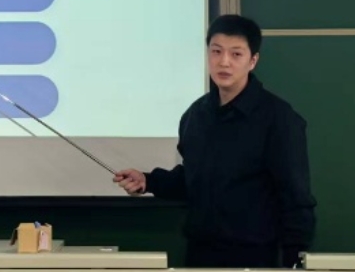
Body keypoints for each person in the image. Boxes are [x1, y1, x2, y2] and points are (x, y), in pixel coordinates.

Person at [114, 14, 316, 268]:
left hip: (256, 258)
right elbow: (194, 180)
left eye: (236, 54)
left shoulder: (279, 119)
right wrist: (149, 180)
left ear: (253, 61)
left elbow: (296, 198)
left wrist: (294, 261)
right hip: (199, 254)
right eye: (216, 51)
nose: (224, 62)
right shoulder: (195, 116)